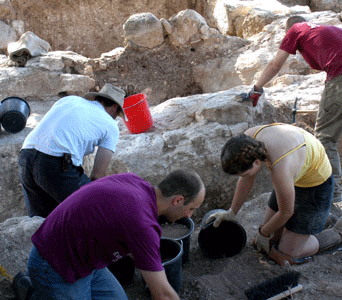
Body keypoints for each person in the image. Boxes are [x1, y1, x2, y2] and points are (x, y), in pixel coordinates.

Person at [244, 16, 342, 202]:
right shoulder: (327, 30)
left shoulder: (295, 29)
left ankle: (331, 192)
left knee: (326, 137)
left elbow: (275, 65)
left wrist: (257, 88)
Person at [25, 169, 205, 300]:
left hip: (85, 261)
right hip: (53, 265)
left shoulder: (134, 181)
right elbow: (163, 294)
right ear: (178, 200)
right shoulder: (142, 224)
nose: (189, 216)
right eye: (191, 209)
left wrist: (150, 260)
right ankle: (30, 291)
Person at [208, 123, 342, 265]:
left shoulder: (280, 168)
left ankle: (340, 230)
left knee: (287, 253)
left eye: (245, 173)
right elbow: (247, 179)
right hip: (294, 176)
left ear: (255, 163)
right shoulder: (246, 143)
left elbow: (286, 212)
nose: (243, 177)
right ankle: (319, 220)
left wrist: (262, 233)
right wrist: (231, 212)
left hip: (316, 184)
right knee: (272, 239)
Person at [18, 83, 126, 217]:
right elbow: (97, 175)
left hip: (26, 155)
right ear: (114, 108)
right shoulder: (111, 125)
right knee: (96, 208)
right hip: (55, 163)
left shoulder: (69, 100)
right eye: (117, 114)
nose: (115, 118)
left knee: (40, 222)